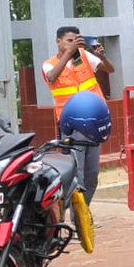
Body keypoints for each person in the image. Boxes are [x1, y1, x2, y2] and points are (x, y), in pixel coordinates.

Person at [41, 26, 114, 201]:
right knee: (76, 174)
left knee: (91, 174)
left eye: (76, 40)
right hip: (71, 126)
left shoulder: (84, 56)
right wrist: (70, 53)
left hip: (93, 125)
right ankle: (76, 219)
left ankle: (83, 214)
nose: (73, 44)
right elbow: (51, 77)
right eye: (69, 40)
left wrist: (102, 56)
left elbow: (109, 70)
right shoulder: (49, 64)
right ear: (58, 42)